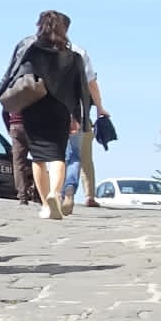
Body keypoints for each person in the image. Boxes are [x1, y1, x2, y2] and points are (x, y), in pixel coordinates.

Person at [0, 10, 88, 221]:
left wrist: (0, 93)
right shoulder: (73, 57)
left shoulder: (29, 49)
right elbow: (79, 90)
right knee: (57, 156)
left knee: (38, 158)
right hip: (60, 110)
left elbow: (13, 73)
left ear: (40, 25)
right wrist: (77, 117)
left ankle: (46, 204)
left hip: (33, 106)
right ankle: (55, 192)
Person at [65, 32, 110, 207]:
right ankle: (89, 195)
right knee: (85, 160)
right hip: (82, 119)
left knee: (60, 157)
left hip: (57, 117)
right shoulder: (80, 54)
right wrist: (100, 108)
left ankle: (59, 191)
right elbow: (92, 86)